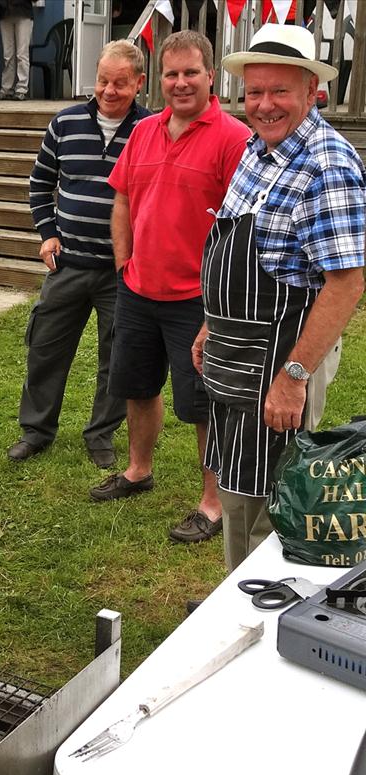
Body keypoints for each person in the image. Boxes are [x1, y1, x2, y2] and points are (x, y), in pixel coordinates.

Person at [193, 24, 365, 571]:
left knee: (270, 500)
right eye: (254, 92)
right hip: (235, 352)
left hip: (280, 361)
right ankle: (233, 589)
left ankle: (260, 609)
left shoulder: (327, 164)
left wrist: (294, 379)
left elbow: (346, 282)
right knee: (237, 484)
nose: (264, 105)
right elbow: (231, 247)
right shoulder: (256, 147)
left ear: (313, 91)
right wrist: (210, 325)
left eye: (280, 92)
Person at [90, 31, 250, 545]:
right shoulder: (143, 132)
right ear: (159, 80)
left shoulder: (233, 139)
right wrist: (123, 266)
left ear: (210, 77)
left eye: (190, 73)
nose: (180, 83)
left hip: (197, 301)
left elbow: (241, 231)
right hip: (138, 289)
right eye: (171, 73)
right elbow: (122, 201)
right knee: (136, 386)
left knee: (204, 404)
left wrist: (217, 302)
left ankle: (213, 502)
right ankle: (139, 470)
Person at [8, 41, 149, 467]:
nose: (108, 90)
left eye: (120, 83)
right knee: (46, 347)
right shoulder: (65, 122)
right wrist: (47, 233)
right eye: (102, 80)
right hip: (67, 263)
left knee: (117, 357)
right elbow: (40, 183)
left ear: (139, 83)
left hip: (120, 271)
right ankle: (36, 430)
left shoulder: (151, 130)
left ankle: (101, 434)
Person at [0, 0, 34, 101]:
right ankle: (6, 89)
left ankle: (21, 89)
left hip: (24, 13)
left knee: (22, 54)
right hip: (5, 14)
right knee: (8, 55)